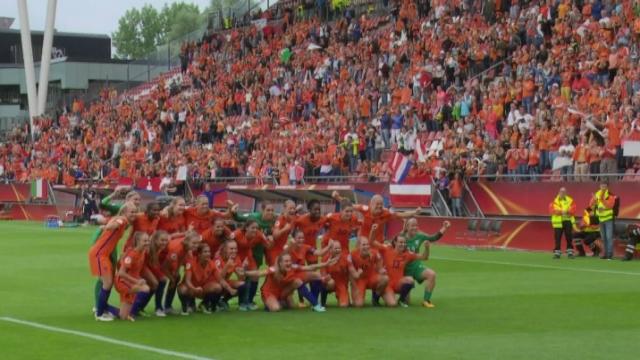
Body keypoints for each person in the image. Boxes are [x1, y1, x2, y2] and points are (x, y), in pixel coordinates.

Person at [88, 203, 138, 321]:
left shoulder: (120, 219)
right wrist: (110, 226)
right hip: (99, 254)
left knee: (107, 283)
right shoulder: (122, 220)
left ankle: (105, 309)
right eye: (132, 212)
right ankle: (99, 314)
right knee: (107, 283)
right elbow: (113, 225)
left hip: (102, 254)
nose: (134, 214)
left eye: (135, 212)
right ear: (124, 212)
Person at [248, 252, 336, 312]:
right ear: (280, 263)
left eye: (289, 261)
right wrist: (245, 273)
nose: (289, 263)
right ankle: (272, 304)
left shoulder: (292, 267)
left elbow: (309, 267)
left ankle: (316, 305)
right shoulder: (273, 270)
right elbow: (259, 273)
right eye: (286, 261)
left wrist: (325, 264)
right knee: (276, 309)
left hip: (282, 292)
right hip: (269, 293)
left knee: (297, 281)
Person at [372, 229, 432, 308]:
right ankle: (375, 298)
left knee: (410, 280)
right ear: (395, 242)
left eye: (404, 242)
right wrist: (373, 231)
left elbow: (424, 257)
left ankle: (401, 300)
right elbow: (372, 242)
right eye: (400, 242)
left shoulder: (407, 254)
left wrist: (427, 248)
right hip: (387, 284)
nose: (403, 244)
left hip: (398, 283)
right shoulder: (387, 249)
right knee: (392, 304)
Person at [402, 218, 450, 307]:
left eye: (416, 225)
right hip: (403, 268)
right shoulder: (401, 237)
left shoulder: (420, 236)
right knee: (406, 301)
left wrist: (444, 227)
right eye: (412, 225)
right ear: (407, 227)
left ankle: (426, 301)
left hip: (416, 265)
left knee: (431, 274)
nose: (415, 228)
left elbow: (434, 237)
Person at [231, 220, 272, 310]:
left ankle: (249, 301)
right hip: (236, 255)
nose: (255, 230)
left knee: (254, 276)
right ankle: (241, 303)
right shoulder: (237, 234)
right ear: (246, 228)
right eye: (252, 228)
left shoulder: (259, 234)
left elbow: (268, 246)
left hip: (248, 255)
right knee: (241, 276)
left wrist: (270, 239)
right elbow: (227, 242)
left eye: (256, 228)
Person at [161, 230, 201, 314]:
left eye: (197, 243)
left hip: (170, 261)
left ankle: (187, 304)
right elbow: (164, 267)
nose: (196, 246)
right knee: (163, 281)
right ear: (187, 241)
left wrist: (176, 271)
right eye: (194, 243)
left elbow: (180, 259)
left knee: (177, 277)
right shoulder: (176, 250)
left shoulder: (186, 247)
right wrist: (171, 278)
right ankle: (165, 307)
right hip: (160, 262)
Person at [115, 232, 151, 321]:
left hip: (130, 283)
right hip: (122, 282)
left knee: (123, 317)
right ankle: (135, 311)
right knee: (145, 288)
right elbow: (121, 273)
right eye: (145, 241)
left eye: (148, 240)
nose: (147, 243)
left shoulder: (142, 252)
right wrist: (137, 281)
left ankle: (106, 308)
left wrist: (138, 279)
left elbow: (134, 271)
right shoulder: (132, 254)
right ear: (138, 241)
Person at [177, 244, 223, 315]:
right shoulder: (190, 262)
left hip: (202, 289)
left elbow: (220, 279)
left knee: (218, 287)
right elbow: (187, 281)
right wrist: (194, 289)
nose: (208, 254)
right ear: (199, 254)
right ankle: (185, 306)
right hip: (190, 288)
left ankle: (205, 305)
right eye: (205, 252)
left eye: (209, 251)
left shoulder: (211, 263)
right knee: (182, 289)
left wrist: (230, 289)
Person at [348, 236, 388, 308]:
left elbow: (380, 263)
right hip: (359, 280)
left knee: (385, 278)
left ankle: (375, 298)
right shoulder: (352, 255)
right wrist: (354, 287)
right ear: (358, 246)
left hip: (371, 278)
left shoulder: (374, 253)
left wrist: (381, 270)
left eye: (367, 244)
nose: (366, 247)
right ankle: (354, 297)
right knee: (358, 305)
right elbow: (350, 274)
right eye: (363, 245)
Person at [145, 230, 170, 317]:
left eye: (166, 240)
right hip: (141, 267)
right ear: (155, 240)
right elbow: (144, 262)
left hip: (148, 266)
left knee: (161, 281)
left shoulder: (158, 248)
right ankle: (158, 308)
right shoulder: (149, 248)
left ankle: (142, 307)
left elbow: (154, 263)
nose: (164, 242)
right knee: (157, 282)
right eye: (162, 240)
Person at [320, 241, 351, 307]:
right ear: (330, 250)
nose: (338, 250)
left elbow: (350, 274)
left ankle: (339, 295)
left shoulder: (345, 259)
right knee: (330, 282)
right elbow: (322, 275)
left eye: (339, 248)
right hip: (330, 283)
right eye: (336, 248)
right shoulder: (325, 259)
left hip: (341, 284)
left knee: (344, 305)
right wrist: (326, 278)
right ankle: (323, 302)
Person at [590, 182, 616, 259]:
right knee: (603, 238)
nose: (603, 187)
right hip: (601, 219)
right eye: (602, 186)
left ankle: (610, 254)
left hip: (608, 219)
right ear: (600, 186)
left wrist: (602, 201)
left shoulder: (610, 195)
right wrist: (594, 201)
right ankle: (605, 254)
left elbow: (610, 205)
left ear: (607, 187)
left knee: (609, 237)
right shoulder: (597, 194)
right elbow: (591, 206)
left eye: (604, 186)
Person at [549, 187, 576, 259]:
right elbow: (552, 211)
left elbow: (573, 209)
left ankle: (570, 252)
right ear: (558, 192)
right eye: (561, 192)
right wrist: (562, 212)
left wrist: (566, 212)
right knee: (557, 238)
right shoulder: (554, 201)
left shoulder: (570, 200)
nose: (562, 193)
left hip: (567, 220)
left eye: (564, 192)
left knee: (569, 237)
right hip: (558, 222)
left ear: (566, 193)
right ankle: (557, 253)